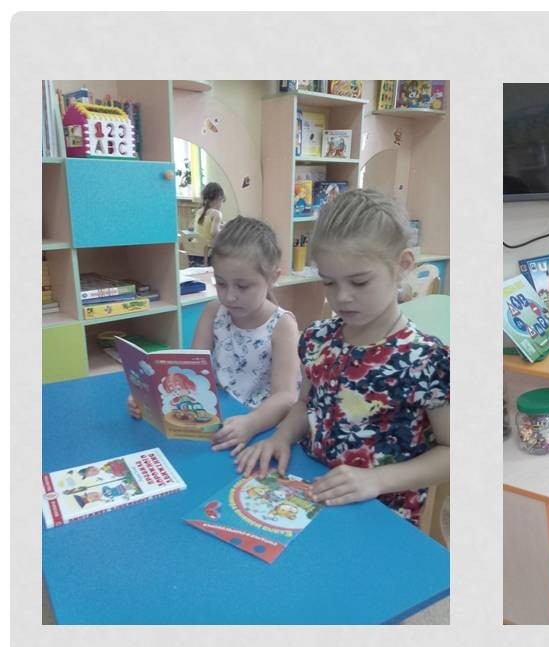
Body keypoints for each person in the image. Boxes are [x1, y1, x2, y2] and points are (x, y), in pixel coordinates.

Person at [234, 189, 450, 527]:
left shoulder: (427, 360)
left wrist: (377, 479)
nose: (342, 297)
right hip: (309, 493)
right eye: (329, 283)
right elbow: (306, 405)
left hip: (380, 517)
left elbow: (454, 453)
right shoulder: (317, 338)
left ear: (402, 265)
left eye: (359, 282)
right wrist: (281, 437)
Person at [129, 216, 302, 453]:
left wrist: (251, 424)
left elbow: (285, 397)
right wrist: (150, 397)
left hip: (262, 427)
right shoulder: (214, 312)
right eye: (221, 283)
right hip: (217, 416)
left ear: (273, 278)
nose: (229, 296)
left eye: (243, 286)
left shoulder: (282, 326)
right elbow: (189, 370)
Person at [192, 182, 226, 266]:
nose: (221, 204)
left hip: (195, 251)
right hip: (209, 253)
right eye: (222, 201)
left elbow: (204, 227)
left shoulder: (199, 212)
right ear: (219, 198)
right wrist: (224, 232)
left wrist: (221, 226)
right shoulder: (216, 214)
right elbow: (214, 233)